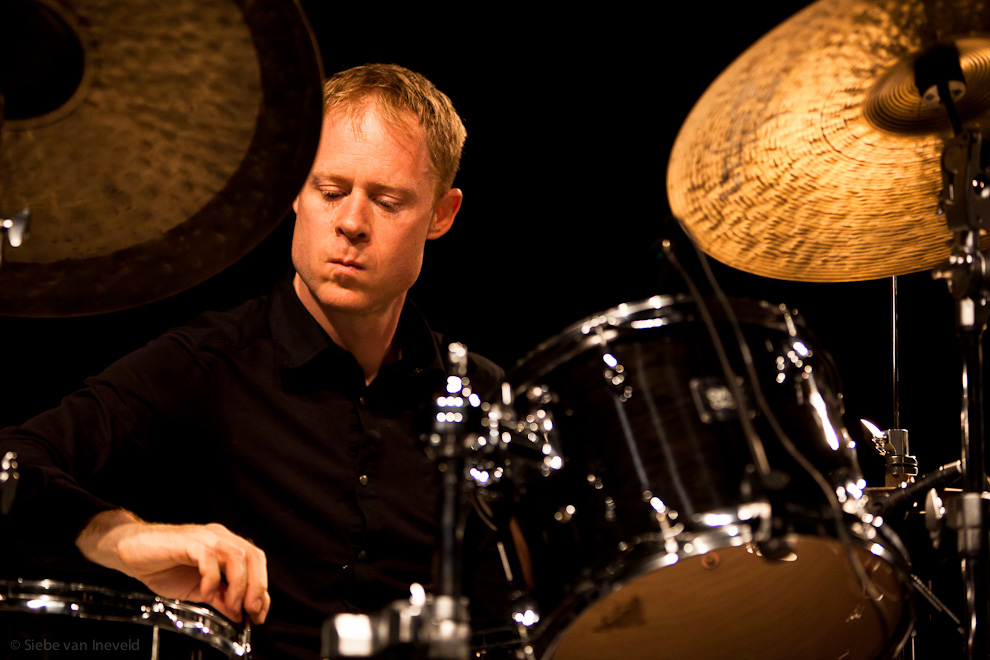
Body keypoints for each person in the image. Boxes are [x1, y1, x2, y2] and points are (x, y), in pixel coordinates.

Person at [0, 63, 504, 659]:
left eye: (388, 201)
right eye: (331, 190)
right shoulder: (208, 364)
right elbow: (12, 465)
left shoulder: (476, 391)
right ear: (295, 187)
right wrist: (122, 537)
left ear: (442, 215)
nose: (351, 223)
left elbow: (505, 622)